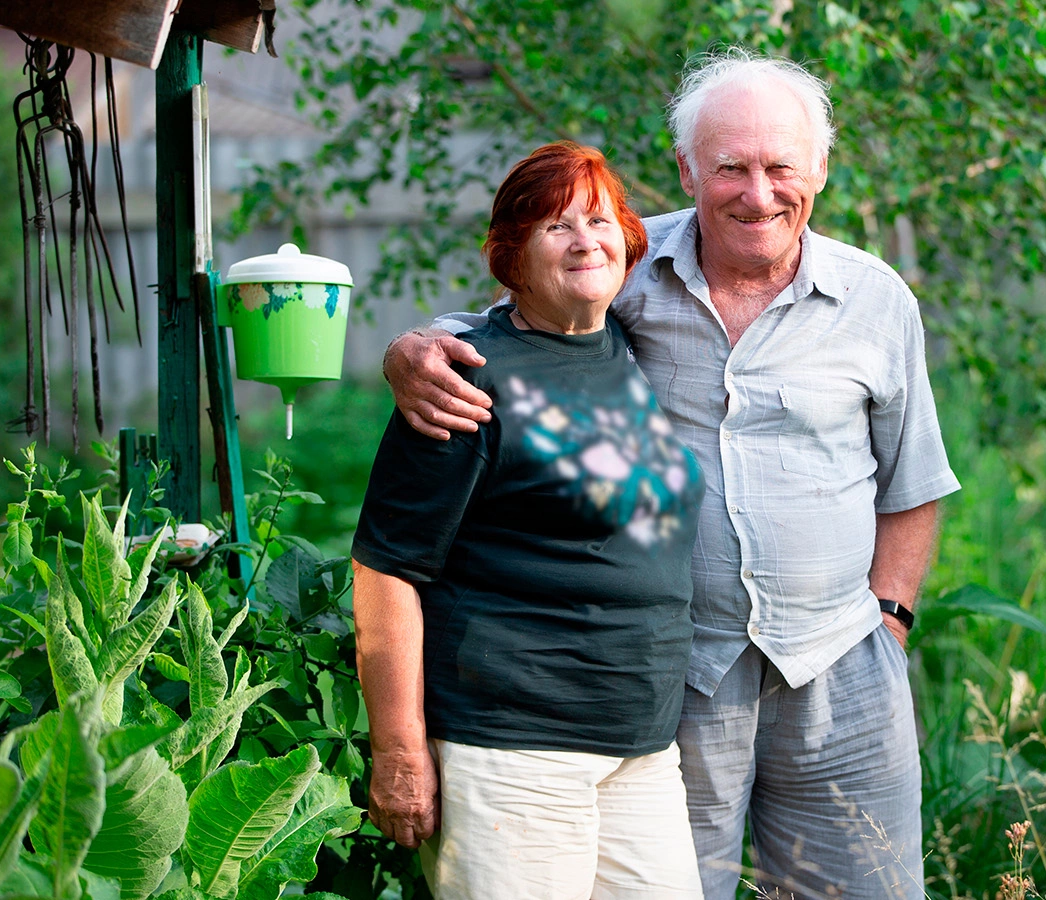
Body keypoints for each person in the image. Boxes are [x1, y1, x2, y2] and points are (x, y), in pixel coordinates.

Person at [383, 49, 960, 900]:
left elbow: (911, 483)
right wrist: (411, 348)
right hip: (681, 680)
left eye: (779, 168)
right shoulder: (625, 272)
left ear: (822, 171)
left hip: (843, 666)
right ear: (688, 168)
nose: (756, 194)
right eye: (730, 167)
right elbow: (514, 324)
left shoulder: (876, 302)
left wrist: (890, 622)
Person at [351, 140, 706, 899]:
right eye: (557, 227)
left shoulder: (632, 350)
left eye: (601, 221)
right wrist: (399, 749)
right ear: (511, 255)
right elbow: (386, 567)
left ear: (630, 242)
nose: (587, 241)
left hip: (641, 748)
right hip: (510, 747)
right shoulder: (465, 378)